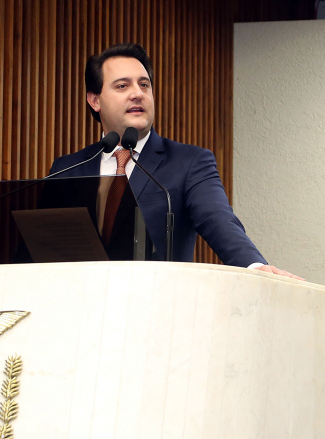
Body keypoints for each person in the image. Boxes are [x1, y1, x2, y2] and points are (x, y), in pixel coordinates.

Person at [47, 43, 301, 279]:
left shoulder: (189, 163)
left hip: (159, 312)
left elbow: (219, 221)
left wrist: (255, 267)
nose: (137, 94)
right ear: (95, 100)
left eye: (144, 85)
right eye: (123, 86)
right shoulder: (67, 169)